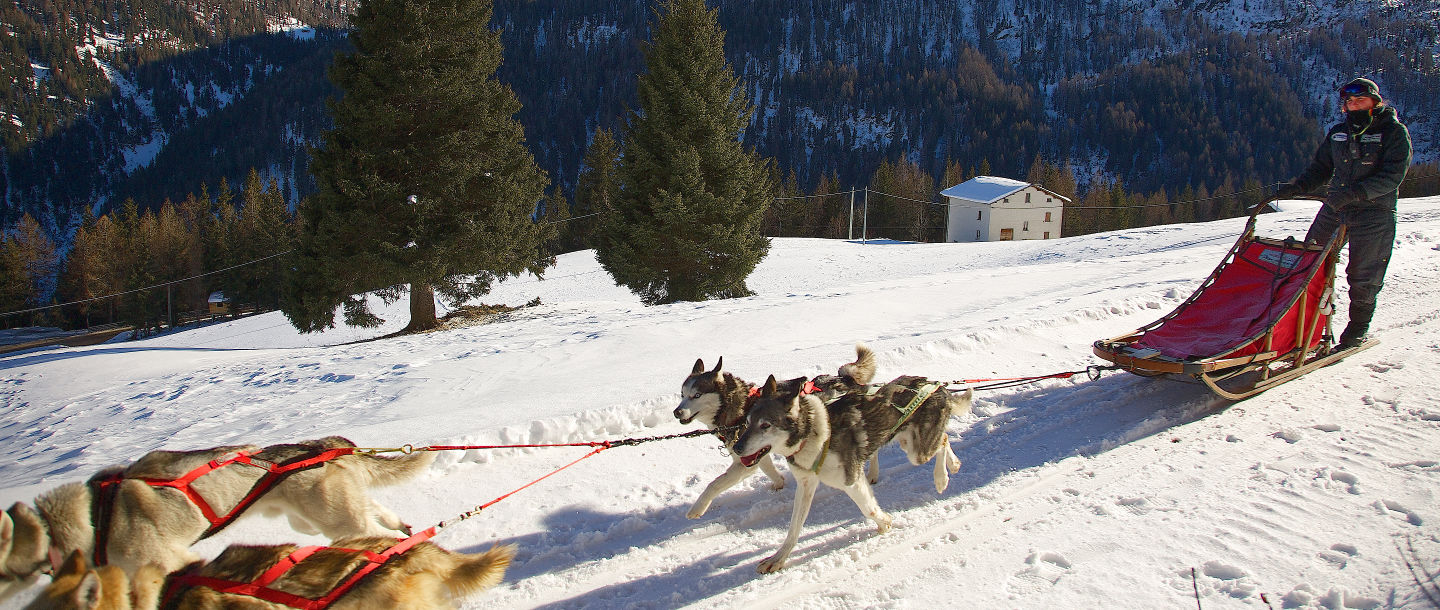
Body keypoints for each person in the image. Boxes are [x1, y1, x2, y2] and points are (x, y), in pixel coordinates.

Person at [1275, 77, 1411, 350]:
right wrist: (1300, 186)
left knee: (1363, 276)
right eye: (1349, 102)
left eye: (1360, 100)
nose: (1354, 105)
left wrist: (1357, 192)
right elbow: (1322, 167)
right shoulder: (1339, 132)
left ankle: (1357, 329)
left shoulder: (1393, 133)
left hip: (1374, 212)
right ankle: (1298, 326)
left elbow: (1392, 176)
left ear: (1375, 102)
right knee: (1308, 261)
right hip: (1336, 208)